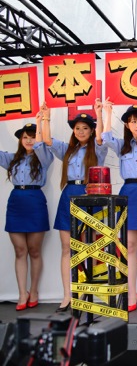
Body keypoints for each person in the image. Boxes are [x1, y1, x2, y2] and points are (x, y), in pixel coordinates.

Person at [40, 99, 108, 312]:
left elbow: (101, 137)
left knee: (88, 246)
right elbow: (47, 140)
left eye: (85, 128)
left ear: (91, 130)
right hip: (68, 195)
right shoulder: (67, 150)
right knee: (67, 247)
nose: (80, 131)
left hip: (89, 196)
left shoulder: (98, 150)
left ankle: (86, 292)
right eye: (77, 128)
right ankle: (67, 295)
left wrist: (99, 114)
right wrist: (46, 118)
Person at [102, 102, 137, 312]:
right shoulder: (122, 146)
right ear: (126, 125)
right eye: (133, 121)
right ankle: (130, 292)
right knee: (130, 246)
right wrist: (108, 113)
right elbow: (106, 137)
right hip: (129, 193)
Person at [1, 117, 53, 311]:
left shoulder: (44, 157)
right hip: (16, 202)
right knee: (20, 250)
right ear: (20, 140)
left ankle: (34, 290)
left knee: (34, 250)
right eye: (25, 137)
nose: (29, 140)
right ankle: (22, 293)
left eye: (33, 137)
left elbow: (41, 144)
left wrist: (41, 125)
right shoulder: (12, 159)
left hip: (35, 201)